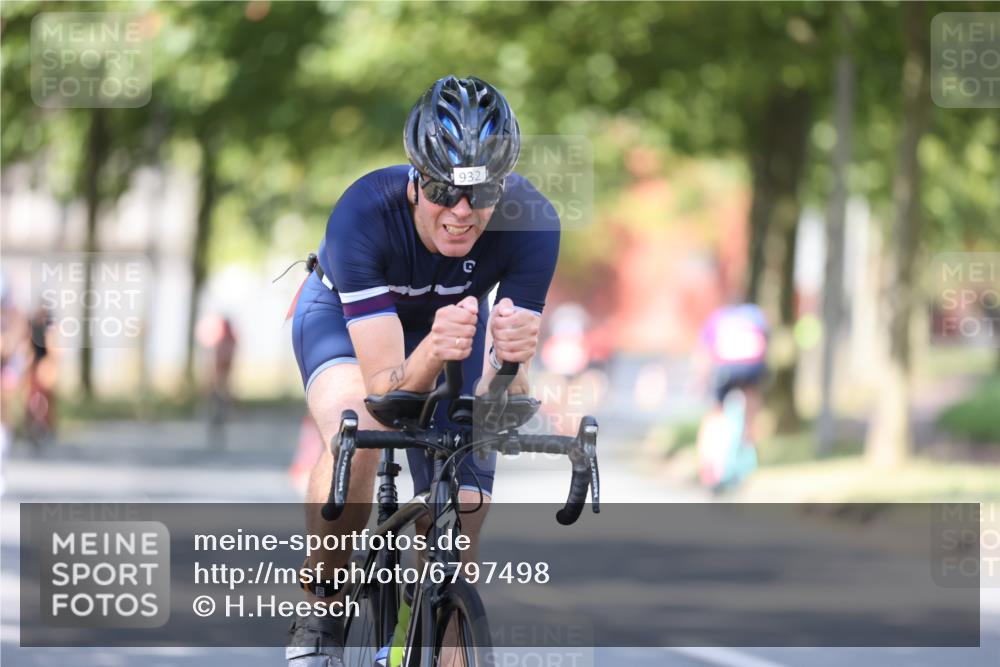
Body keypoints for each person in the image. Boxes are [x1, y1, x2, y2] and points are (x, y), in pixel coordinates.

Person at [287, 75, 559, 666]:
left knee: (465, 503)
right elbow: (388, 394)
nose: (462, 212)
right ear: (415, 178)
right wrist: (433, 353)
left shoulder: (532, 221)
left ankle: (440, 627)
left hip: (452, 325)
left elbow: (498, 399)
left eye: (481, 193)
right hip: (345, 317)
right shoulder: (364, 211)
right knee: (356, 436)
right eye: (443, 189)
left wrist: (512, 367)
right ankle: (323, 609)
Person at [695, 302, 768, 493]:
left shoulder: (717, 317)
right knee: (752, 411)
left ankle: (708, 467)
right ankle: (750, 461)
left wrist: (702, 380)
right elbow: (765, 342)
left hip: (725, 367)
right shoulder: (756, 315)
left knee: (716, 415)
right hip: (752, 367)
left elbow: (704, 350)